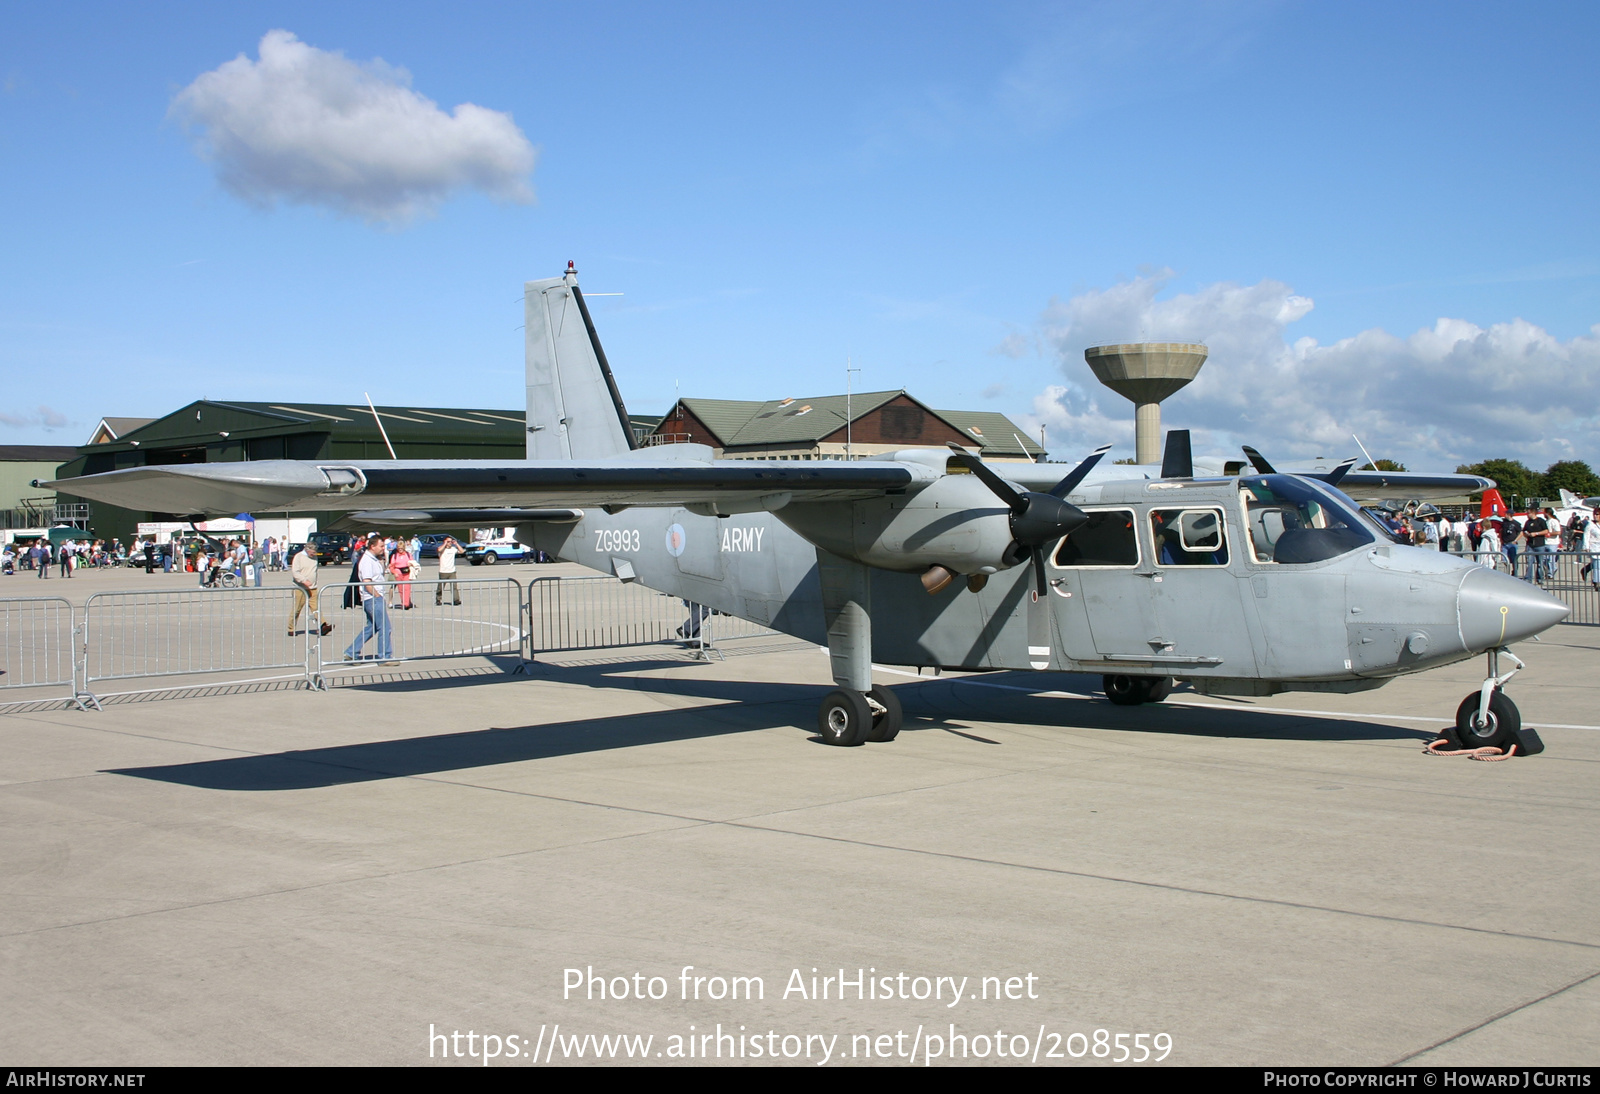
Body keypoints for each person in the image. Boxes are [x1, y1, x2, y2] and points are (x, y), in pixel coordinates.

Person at [343, 539, 396, 664]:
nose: (383, 548)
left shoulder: (373, 559)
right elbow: (367, 582)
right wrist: (377, 596)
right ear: (372, 546)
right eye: (381, 546)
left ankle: (351, 652)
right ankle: (384, 657)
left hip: (373, 598)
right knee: (385, 627)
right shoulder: (366, 561)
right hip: (372, 598)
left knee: (371, 628)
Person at [287, 542, 335, 637]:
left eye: (315, 552)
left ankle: (322, 625)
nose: (314, 554)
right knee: (297, 608)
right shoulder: (299, 557)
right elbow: (295, 572)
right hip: (300, 587)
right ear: (307, 549)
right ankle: (291, 628)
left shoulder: (314, 558)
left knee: (316, 608)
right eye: (312, 552)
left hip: (313, 587)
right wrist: (304, 580)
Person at [388, 539, 414, 610]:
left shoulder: (408, 554)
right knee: (401, 589)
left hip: (407, 572)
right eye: (399, 548)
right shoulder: (395, 556)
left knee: (407, 588)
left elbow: (413, 563)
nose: (400, 550)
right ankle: (404, 603)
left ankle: (406, 603)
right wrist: (394, 572)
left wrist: (411, 564)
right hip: (398, 572)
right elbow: (391, 566)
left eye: (402, 548)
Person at [436, 536, 461, 606]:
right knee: (440, 587)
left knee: (454, 587)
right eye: (448, 541)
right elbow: (439, 550)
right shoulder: (442, 549)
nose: (450, 543)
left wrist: (456, 544)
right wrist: (444, 544)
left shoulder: (453, 549)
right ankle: (438, 599)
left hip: (452, 571)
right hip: (443, 571)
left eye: (451, 542)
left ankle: (456, 600)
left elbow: (462, 551)